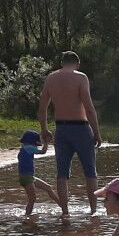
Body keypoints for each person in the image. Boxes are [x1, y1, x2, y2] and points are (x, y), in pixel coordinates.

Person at [38, 51, 102, 218]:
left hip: (61, 129)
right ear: (77, 64)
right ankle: (94, 211)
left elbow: (42, 107)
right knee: (90, 171)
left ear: (62, 62)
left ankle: (65, 211)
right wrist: (96, 132)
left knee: (62, 173)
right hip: (81, 128)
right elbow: (89, 107)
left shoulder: (51, 78)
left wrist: (44, 129)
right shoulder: (81, 77)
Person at [16, 130, 61, 217]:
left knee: (48, 188)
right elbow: (43, 151)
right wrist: (46, 142)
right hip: (27, 177)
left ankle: (63, 207)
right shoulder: (29, 148)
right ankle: (27, 216)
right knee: (32, 199)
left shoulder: (24, 148)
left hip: (29, 177)